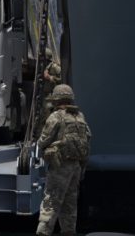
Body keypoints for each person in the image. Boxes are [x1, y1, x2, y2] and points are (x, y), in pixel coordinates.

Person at [36, 84, 91, 236]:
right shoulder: (80, 116)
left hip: (60, 166)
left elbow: (43, 141)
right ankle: (69, 232)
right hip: (76, 167)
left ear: (56, 99)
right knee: (70, 204)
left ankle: (43, 233)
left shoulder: (56, 116)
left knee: (51, 201)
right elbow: (87, 141)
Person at [40, 47, 62, 127]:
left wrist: (50, 78)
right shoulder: (42, 67)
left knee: (50, 117)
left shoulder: (55, 67)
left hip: (51, 96)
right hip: (43, 96)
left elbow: (62, 79)